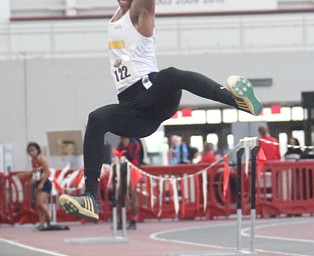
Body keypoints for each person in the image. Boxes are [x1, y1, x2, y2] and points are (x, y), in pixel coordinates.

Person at [59, 0, 263, 221]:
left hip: (154, 94)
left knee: (170, 75)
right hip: (135, 114)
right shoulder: (117, 17)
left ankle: (236, 100)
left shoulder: (140, 14)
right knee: (96, 118)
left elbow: (144, 5)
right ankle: (90, 197)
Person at [20, 142, 52, 230]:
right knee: (38, 205)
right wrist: (24, 174)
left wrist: (42, 183)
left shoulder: (41, 159)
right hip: (37, 183)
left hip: (45, 183)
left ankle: (49, 217)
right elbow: (34, 171)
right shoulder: (33, 161)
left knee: (40, 203)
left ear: (37, 150)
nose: (31, 153)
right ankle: (41, 222)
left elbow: (47, 171)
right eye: (29, 151)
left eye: (33, 150)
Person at [116, 137, 141, 230]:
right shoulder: (121, 144)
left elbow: (132, 157)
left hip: (133, 170)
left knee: (132, 194)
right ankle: (120, 220)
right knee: (120, 195)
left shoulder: (135, 144)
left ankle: (133, 219)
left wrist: (125, 151)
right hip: (123, 170)